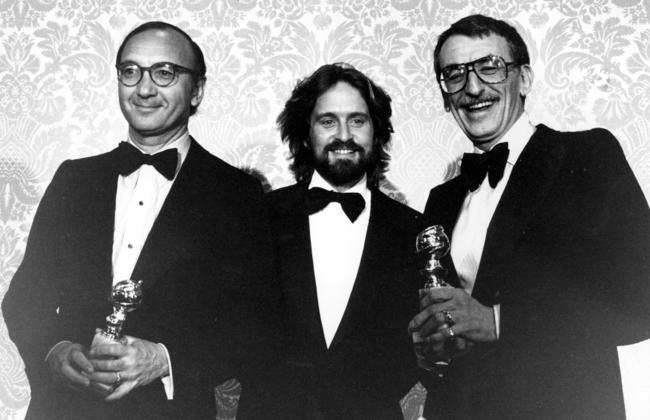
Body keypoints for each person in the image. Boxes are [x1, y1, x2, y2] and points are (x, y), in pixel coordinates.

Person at [2, 21, 278, 420]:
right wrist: (54, 350)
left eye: (164, 72)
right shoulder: (73, 178)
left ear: (197, 90)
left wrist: (166, 359)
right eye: (130, 72)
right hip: (63, 410)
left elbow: (258, 321)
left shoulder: (237, 193)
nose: (144, 88)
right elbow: (27, 295)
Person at [408, 14, 650, 420]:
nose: (472, 87)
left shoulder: (587, 156)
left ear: (524, 79)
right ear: (445, 96)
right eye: (454, 75)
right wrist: (431, 349)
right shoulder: (441, 200)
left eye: (489, 67)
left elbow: (640, 301)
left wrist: (497, 322)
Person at [264, 63, 421, 419]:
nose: (344, 135)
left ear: (376, 133)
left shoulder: (414, 229)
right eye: (327, 121)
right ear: (305, 133)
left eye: (358, 120)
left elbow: (430, 344)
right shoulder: (261, 218)